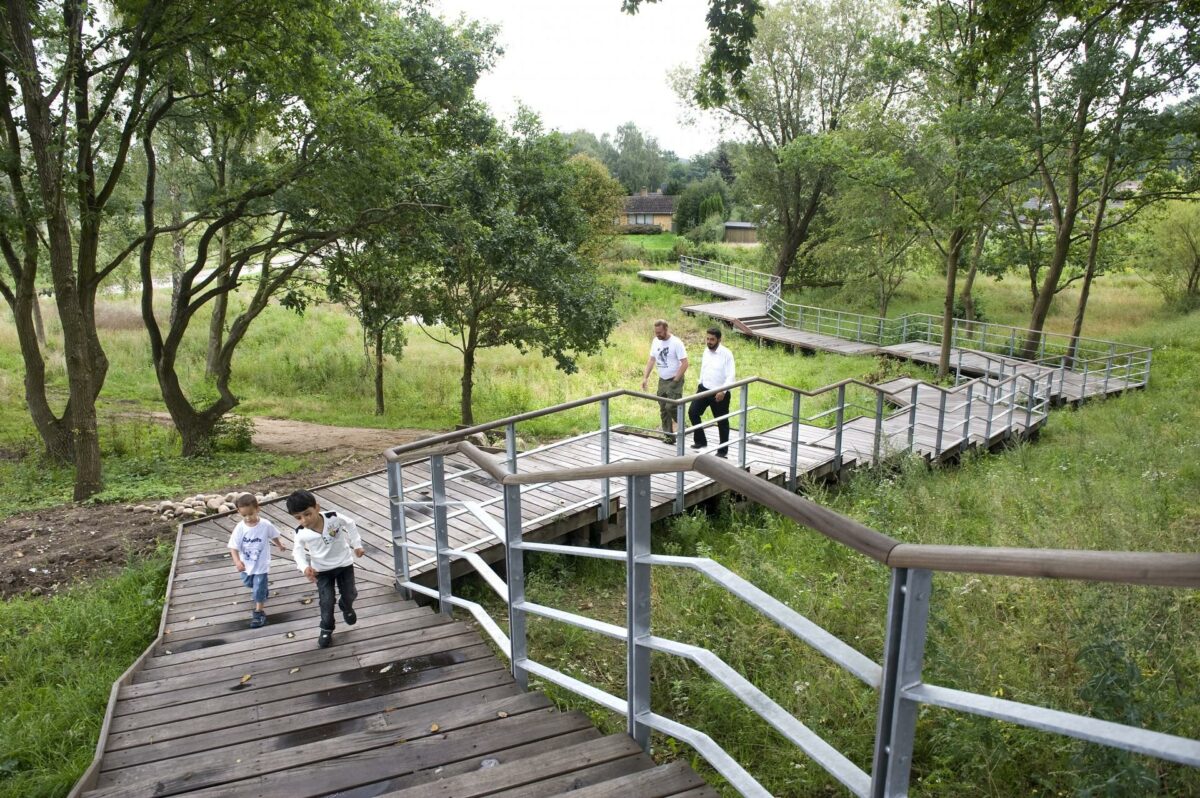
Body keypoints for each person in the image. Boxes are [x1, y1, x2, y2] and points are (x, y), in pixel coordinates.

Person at [287, 489, 365, 649]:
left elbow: (350, 523)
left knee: (351, 593)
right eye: (298, 518)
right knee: (327, 601)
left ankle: (346, 605)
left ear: (317, 507)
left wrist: (356, 544)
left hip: (344, 564)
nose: (304, 520)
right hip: (321, 570)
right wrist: (304, 567)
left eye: (307, 514)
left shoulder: (333, 517)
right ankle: (326, 628)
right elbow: (298, 551)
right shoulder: (301, 533)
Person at [227, 493, 287, 629]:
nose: (248, 518)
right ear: (239, 513)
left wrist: (279, 544)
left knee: (258, 587)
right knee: (248, 582)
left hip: (261, 564)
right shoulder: (240, 528)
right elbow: (233, 547)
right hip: (246, 564)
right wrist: (237, 562)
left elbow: (274, 535)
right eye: (244, 515)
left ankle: (259, 612)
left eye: (251, 514)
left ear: (257, 509)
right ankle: (261, 590)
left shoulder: (265, 525)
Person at [688, 327, 737, 459]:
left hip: (719, 392)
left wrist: (723, 390)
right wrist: (700, 383)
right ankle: (700, 441)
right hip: (704, 389)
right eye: (707, 338)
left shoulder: (727, 354)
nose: (709, 341)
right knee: (693, 412)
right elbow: (705, 368)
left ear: (719, 340)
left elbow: (731, 375)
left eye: (712, 339)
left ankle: (722, 450)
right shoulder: (706, 351)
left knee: (721, 421)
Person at [640, 319, 688, 443]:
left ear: (666, 329)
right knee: (663, 408)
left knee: (671, 406)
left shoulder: (676, 343)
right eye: (656, 332)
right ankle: (668, 436)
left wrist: (676, 380)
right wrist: (645, 377)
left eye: (660, 332)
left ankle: (682, 424)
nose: (658, 335)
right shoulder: (655, 341)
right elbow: (651, 360)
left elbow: (685, 363)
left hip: (674, 379)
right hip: (662, 380)